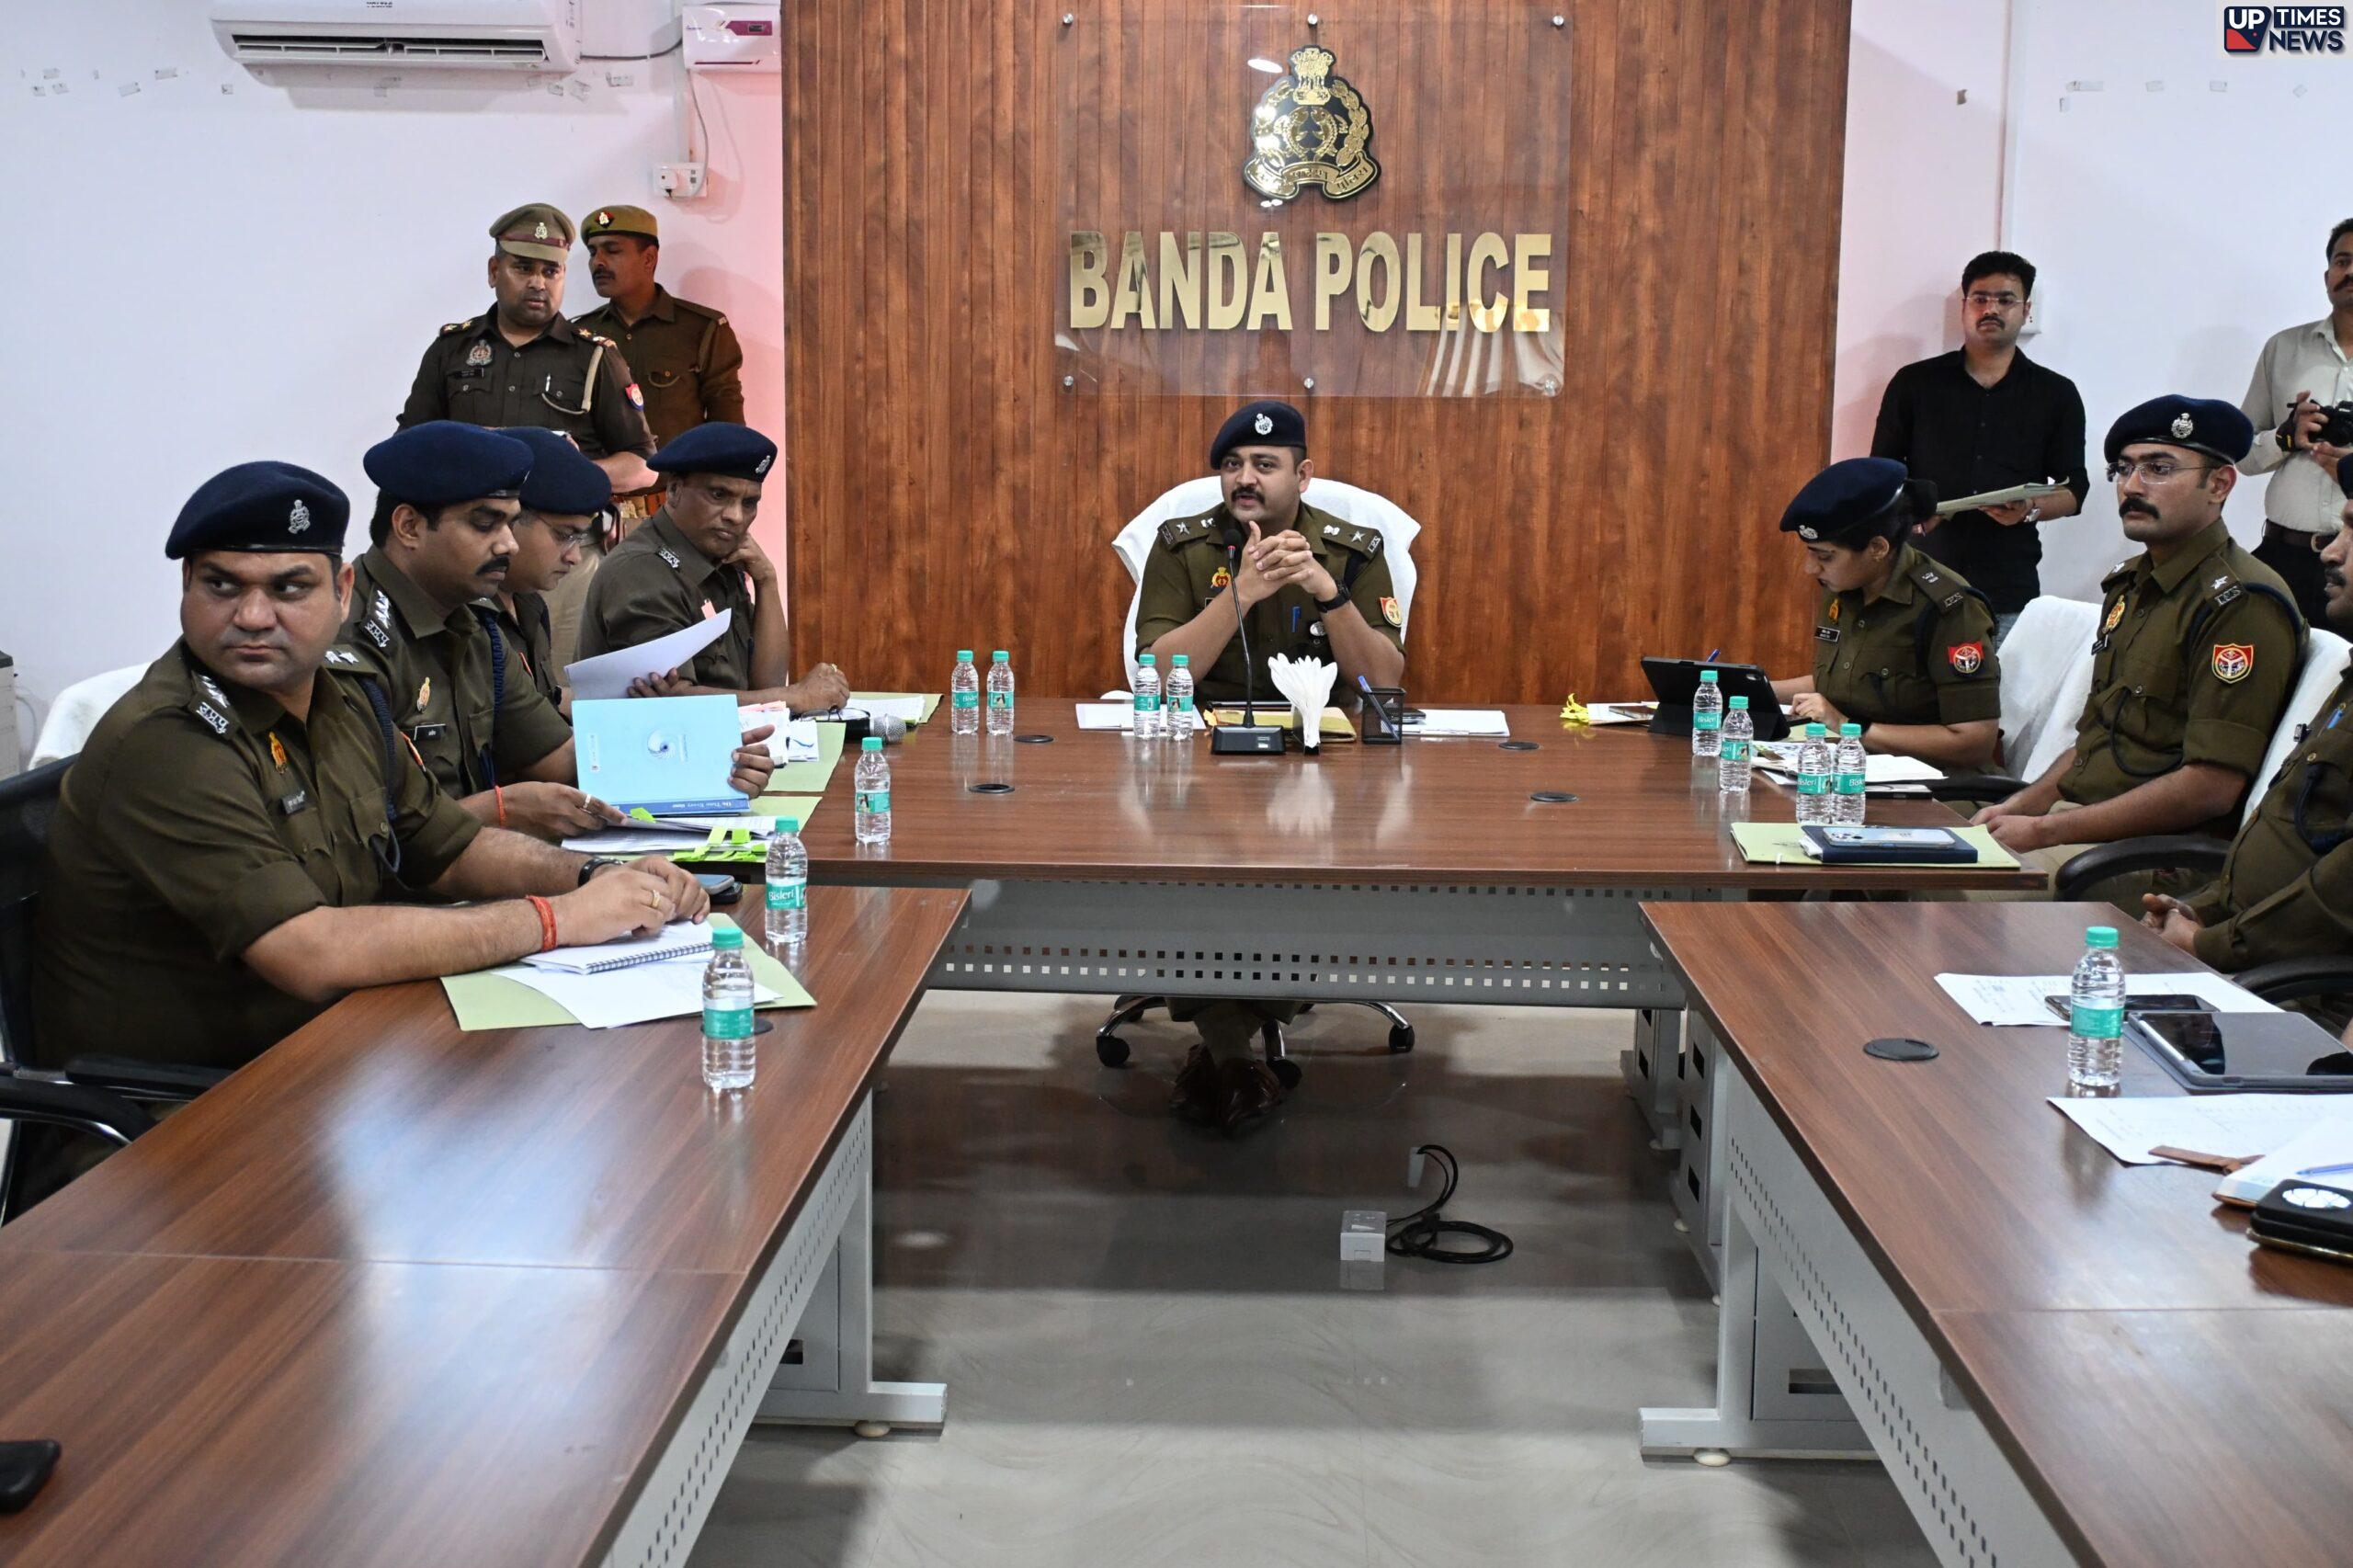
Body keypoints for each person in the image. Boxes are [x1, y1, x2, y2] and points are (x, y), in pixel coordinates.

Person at [26, 461, 711, 1206]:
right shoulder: (169, 741)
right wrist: (559, 919)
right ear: (186, 587)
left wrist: (596, 879)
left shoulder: (344, 697)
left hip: (339, 1063)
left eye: (289, 588)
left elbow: (447, 847)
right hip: (184, 1125)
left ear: (342, 590)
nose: (252, 615)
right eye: (221, 586)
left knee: (593, 1138)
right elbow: (310, 952)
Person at [338, 423, 777, 842]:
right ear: (409, 527)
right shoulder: (350, 639)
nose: (508, 545)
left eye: (510, 524)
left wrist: (710, 755)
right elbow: (370, 840)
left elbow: (560, 760)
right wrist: (504, 809)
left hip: (477, 865)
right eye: (486, 524)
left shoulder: (474, 628)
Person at [1972, 396, 2304, 882]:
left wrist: (2045, 831)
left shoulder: (2239, 603)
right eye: (2123, 469)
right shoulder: (2131, 586)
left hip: (2148, 856)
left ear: (2219, 484)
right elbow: (2097, 742)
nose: (2131, 486)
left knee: (1943, 894)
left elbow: (2210, 787)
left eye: (2158, 469)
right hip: (2078, 825)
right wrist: (2018, 807)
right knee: (1905, 858)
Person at [397, 203, 659, 669]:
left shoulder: (593, 357)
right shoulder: (452, 350)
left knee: (558, 682)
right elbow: (408, 449)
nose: (538, 282)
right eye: (523, 268)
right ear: (494, 271)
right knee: (464, 678)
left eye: (551, 271)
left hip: (560, 557)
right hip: (466, 552)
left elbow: (643, 465)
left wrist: (572, 471)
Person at [2145, 464, 2353, 1009]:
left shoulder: (2244, 600)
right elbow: (2290, 835)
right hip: (2252, 957)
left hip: (2307, 996)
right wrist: (2201, 910)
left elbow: (2341, 892)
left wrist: (2208, 943)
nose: (2330, 552)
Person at [1870, 251, 2089, 644]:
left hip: (2006, 586)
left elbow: (2075, 489)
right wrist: (1913, 512)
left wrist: (2029, 508)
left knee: (2000, 684)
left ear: (2026, 311)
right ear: (1964, 306)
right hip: (1918, 578)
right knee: (1905, 684)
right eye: (1980, 298)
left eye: (2005, 300)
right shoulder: (1914, 384)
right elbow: (1880, 475)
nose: (1991, 309)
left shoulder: (2056, 394)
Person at [1137, 400, 1406, 702]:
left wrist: (1330, 595)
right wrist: (1241, 593)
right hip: (1207, 726)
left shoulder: (1352, 553)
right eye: (1232, 465)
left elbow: (1383, 685)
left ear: (1302, 476)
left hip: (1321, 728)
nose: (1244, 479)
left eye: (1264, 465)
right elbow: (1156, 680)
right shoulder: (1182, 547)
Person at [577, 422, 850, 712]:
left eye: (749, 502)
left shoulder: (720, 557)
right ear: (674, 490)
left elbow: (766, 682)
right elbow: (670, 704)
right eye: (719, 495)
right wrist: (792, 698)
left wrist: (767, 581)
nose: (735, 516)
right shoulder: (642, 572)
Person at [1767, 458, 2002, 771]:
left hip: (1932, 783)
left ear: (1877, 548)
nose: (1811, 568)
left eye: (1825, 556)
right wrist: (1753, 687)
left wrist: (1850, 727)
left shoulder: (1947, 607)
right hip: (1855, 766)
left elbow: (1974, 741)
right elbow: (1847, 682)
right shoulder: (1846, 587)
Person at [2234, 218, 2353, 625]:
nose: (2350, 271)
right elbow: (2242, 455)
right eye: (2342, 261)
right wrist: (2285, 437)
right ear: (2327, 276)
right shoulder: (2283, 348)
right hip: (2285, 555)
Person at [573, 204, 745, 449]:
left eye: (612, 251)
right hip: (602, 473)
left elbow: (728, 430)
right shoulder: (581, 333)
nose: (597, 262)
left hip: (676, 474)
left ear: (649, 258)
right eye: (593, 252)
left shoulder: (702, 329)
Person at [489, 426, 612, 716]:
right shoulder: (468, 617)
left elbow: (544, 701)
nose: (575, 557)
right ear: (509, 520)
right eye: (565, 535)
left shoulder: (529, 604)